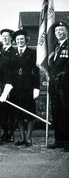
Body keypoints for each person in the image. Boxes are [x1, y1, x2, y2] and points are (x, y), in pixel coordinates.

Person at [11, 30, 40, 147]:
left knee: (29, 113)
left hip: (29, 87)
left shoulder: (33, 53)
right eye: (18, 40)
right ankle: (22, 137)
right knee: (18, 114)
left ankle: (28, 138)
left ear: (26, 40)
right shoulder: (13, 53)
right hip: (16, 88)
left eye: (22, 39)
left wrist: (36, 87)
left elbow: (36, 71)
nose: (20, 41)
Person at [47, 21, 69, 152]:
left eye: (61, 30)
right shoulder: (56, 46)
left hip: (66, 86)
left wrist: (63, 75)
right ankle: (59, 140)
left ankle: (67, 142)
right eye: (56, 31)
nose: (59, 32)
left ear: (66, 31)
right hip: (55, 86)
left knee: (66, 113)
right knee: (57, 114)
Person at [0, 29, 17, 142]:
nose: (5, 38)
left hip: (10, 84)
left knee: (11, 110)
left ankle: (11, 133)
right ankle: (4, 132)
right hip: (0, 84)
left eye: (7, 36)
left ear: (11, 38)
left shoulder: (14, 52)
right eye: (3, 36)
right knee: (2, 110)